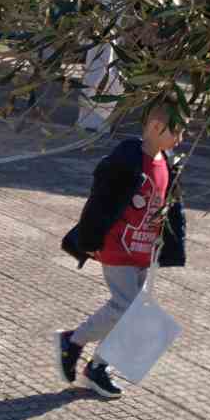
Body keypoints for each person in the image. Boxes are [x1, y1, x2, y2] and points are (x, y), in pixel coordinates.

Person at [57, 100, 186, 399]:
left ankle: (98, 366)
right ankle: (73, 341)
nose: (180, 140)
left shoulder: (167, 163)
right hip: (118, 247)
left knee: (136, 312)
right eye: (176, 132)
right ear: (156, 127)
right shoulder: (127, 159)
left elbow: (170, 208)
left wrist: (168, 243)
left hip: (144, 251)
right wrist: (90, 239)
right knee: (125, 306)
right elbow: (100, 201)